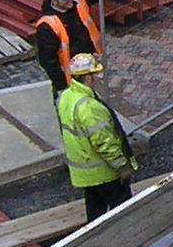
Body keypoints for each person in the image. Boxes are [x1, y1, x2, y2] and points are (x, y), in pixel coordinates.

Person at [57, 54, 137, 218]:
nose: (97, 78)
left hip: (85, 174)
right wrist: (122, 166)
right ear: (87, 78)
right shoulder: (89, 107)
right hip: (105, 173)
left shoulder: (66, 97)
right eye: (94, 75)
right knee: (122, 213)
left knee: (95, 211)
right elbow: (104, 143)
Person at [32, 0, 100, 93]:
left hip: (85, 66)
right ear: (54, 1)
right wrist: (62, 86)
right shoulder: (47, 26)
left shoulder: (77, 2)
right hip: (69, 77)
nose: (69, 0)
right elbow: (48, 61)